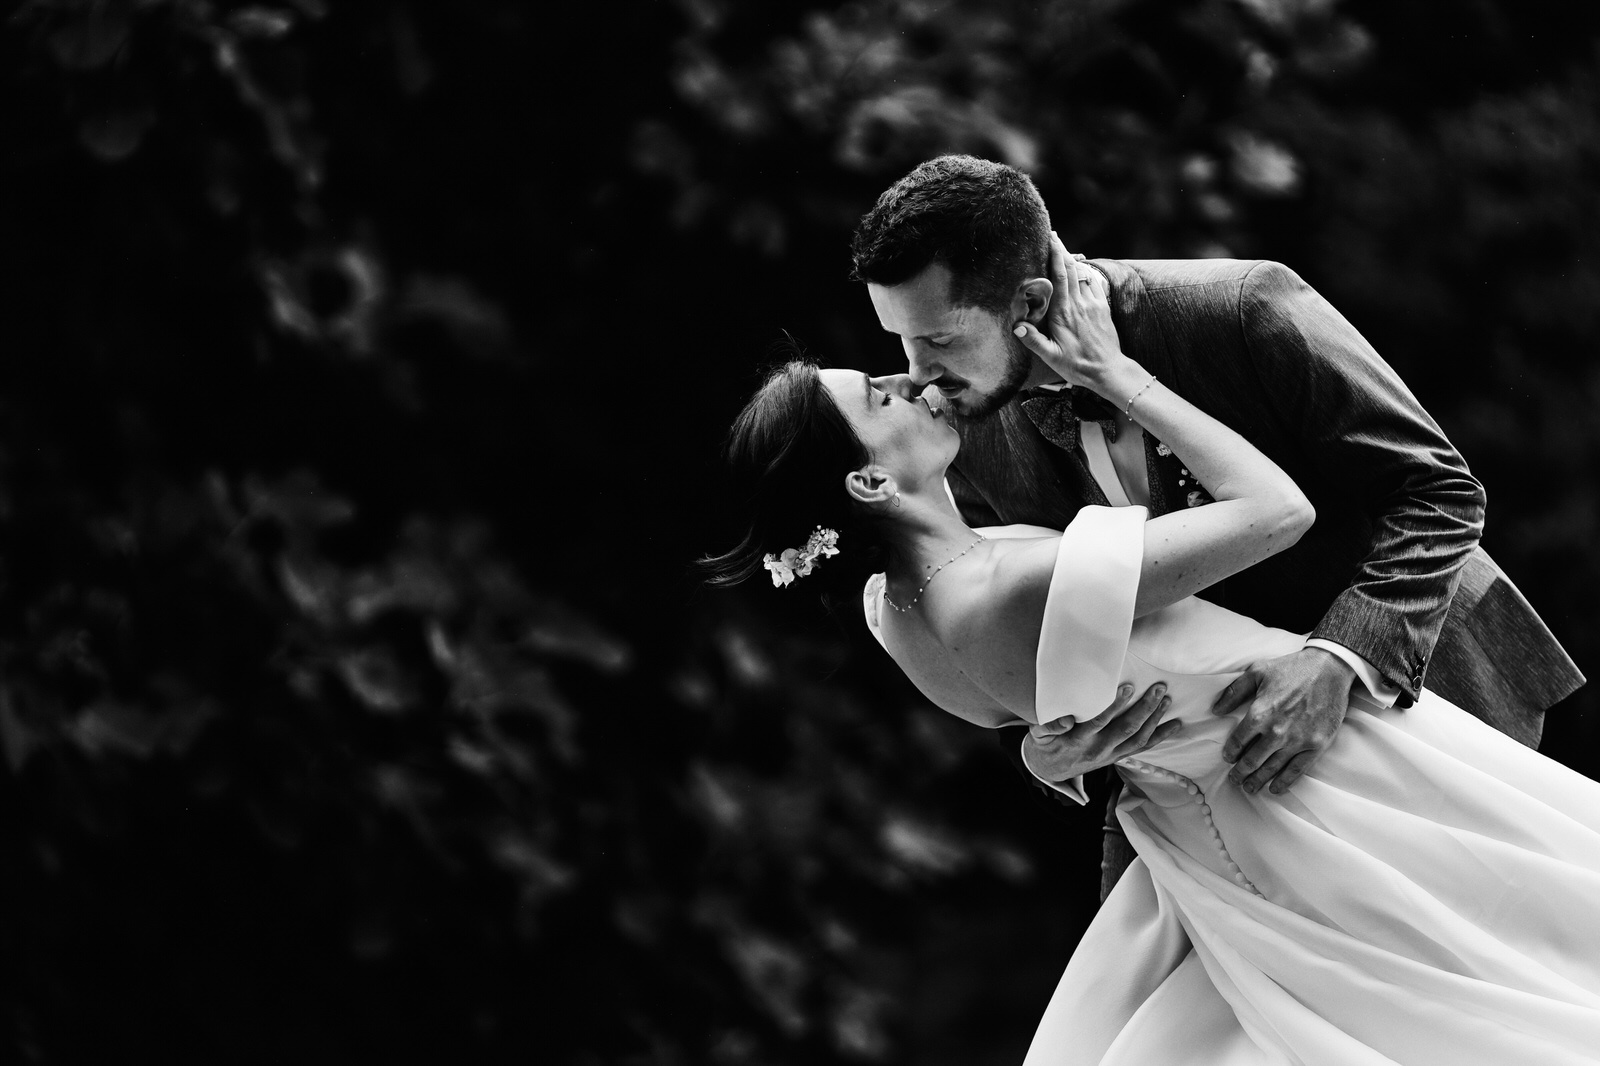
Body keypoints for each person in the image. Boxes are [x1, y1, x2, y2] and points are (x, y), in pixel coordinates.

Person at [701, 240, 1600, 1063]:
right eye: (880, 391)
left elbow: (1036, 698)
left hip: (1273, 779)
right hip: (1313, 796)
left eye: (923, 346)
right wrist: (1120, 377)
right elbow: (1276, 513)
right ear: (867, 480)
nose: (912, 380)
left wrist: (1045, 749)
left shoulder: (889, 606)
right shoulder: (1016, 576)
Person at [848, 154, 1584, 900]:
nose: (915, 372)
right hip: (1201, 768)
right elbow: (1002, 618)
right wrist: (1042, 752)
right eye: (899, 339)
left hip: (1417, 692)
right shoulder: (958, 424)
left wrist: (1336, 662)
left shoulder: (1241, 308)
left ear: (1030, 300)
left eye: (939, 340)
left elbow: (1437, 491)